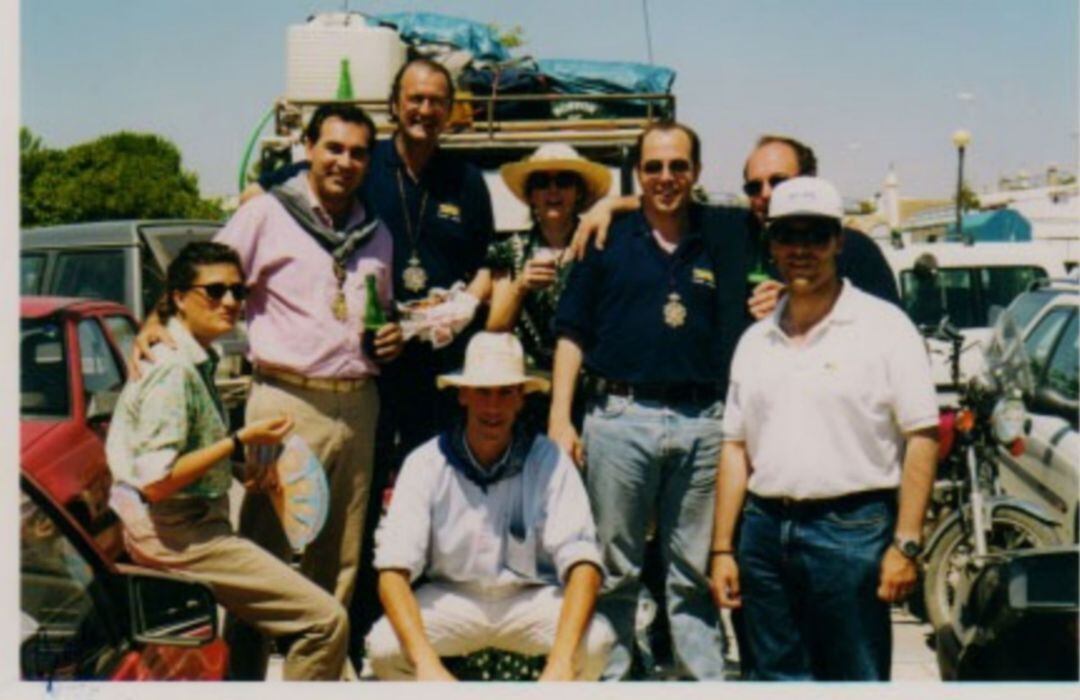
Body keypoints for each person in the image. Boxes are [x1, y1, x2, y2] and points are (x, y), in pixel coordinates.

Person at [133, 103, 403, 679]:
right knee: (265, 559)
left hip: (357, 404)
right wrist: (158, 322)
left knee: (340, 563)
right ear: (307, 147)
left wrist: (393, 338)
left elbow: (376, 315)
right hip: (285, 404)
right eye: (333, 147)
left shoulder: (376, 234)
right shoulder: (269, 216)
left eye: (358, 153)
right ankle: (244, 681)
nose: (344, 162)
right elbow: (205, 274)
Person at [251, 58, 496, 662]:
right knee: (329, 526)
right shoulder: (361, 163)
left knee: (430, 507)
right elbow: (282, 193)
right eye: (414, 98)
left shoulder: (465, 181)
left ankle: (428, 640)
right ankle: (346, 640)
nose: (424, 110)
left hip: (437, 378)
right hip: (367, 374)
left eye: (437, 100)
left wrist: (464, 306)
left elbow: (489, 267)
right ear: (395, 104)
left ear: (450, 110)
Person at [710, 177, 939, 681]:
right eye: (788, 236)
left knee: (854, 677)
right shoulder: (755, 341)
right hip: (765, 534)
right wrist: (724, 548)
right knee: (774, 678)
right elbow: (734, 447)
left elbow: (922, 436)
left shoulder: (885, 327)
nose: (801, 249)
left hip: (853, 534)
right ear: (771, 245)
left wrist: (906, 545)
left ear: (838, 241)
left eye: (815, 235)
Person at [106, 241, 350, 680]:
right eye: (214, 292)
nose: (231, 302)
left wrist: (238, 468)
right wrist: (238, 442)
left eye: (239, 291)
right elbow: (156, 482)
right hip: (179, 531)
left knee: (255, 627)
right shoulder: (174, 370)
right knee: (325, 622)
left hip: (187, 524)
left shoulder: (195, 357)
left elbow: (178, 452)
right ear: (178, 298)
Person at [550, 122, 740, 680]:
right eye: (652, 167)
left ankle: (701, 679)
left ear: (697, 172)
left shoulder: (719, 233)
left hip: (701, 422)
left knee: (692, 571)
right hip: (619, 419)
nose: (665, 178)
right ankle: (612, 678)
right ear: (638, 171)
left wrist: (615, 198)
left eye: (678, 166)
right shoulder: (604, 239)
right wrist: (561, 417)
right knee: (615, 570)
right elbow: (571, 334)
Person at [364, 332, 613, 681]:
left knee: (596, 642)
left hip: (529, 597)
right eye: (483, 391)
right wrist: (427, 666)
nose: (493, 407)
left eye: (505, 392)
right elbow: (392, 571)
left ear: (521, 398)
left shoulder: (550, 460)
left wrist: (559, 663)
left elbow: (584, 564)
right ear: (463, 394)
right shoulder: (426, 462)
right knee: (384, 646)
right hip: (452, 595)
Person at [572, 134, 900, 320]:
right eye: (754, 187)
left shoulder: (853, 248)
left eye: (779, 181)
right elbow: (673, 198)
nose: (766, 194)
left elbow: (890, 331)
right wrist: (610, 204)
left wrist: (802, 302)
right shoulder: (731, 230)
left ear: (809, 178)